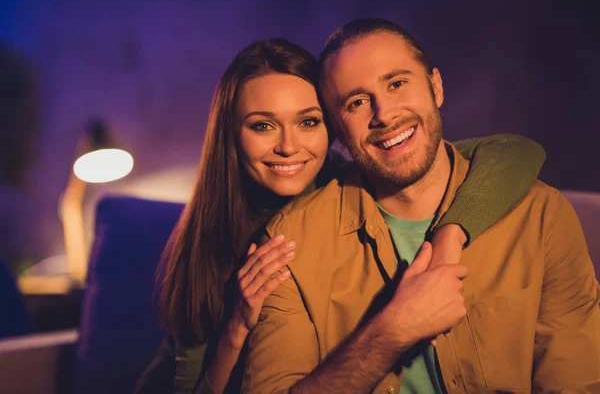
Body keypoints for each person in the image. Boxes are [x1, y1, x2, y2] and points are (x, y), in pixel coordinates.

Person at [134, 38, 545, 394]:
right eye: (263, 126)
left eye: (308, 122)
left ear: (332, 126)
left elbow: (514, 151)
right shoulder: (206, 240)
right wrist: (236, 328)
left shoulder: (352, 185)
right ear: (231, 134)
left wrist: (450, 235)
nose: (288, 146)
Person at [242, 19, 600, 394]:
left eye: (397, 83)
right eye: (357, 102)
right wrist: (391, 331)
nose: (384, 113)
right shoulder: (291, 244)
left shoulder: (540, 216)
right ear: (339, 132)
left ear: (436, 86)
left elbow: (575, 383)